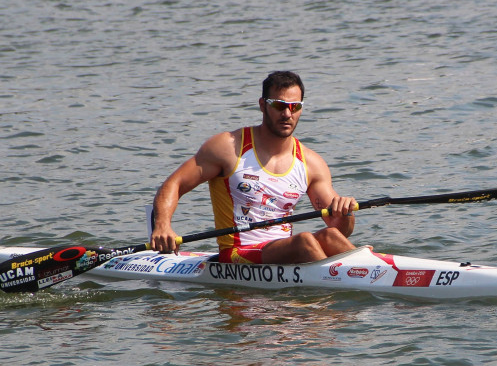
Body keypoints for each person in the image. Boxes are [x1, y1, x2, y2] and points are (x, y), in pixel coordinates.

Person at [149, 71, 359, 264]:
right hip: (238, 253)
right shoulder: (227, 148)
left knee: (329, 236)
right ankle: (343, 289)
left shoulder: (311, 163)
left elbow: (340, 230)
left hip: (285, 251)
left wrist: (345, 214)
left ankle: (369, 271)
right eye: (279, 105)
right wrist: (162, 225)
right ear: (262, 105)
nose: (287, 113)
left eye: (295, 106)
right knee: (304, 240)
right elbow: (174, 184)